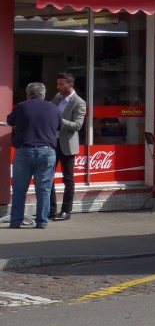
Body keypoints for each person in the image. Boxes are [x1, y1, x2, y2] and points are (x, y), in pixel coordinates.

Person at [7, 82, 62, 229]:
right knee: (44, 189)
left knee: (19, 188)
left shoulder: (21, 106)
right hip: (47, 151)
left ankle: (16, 221)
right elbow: (59, 127)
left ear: (28, 94)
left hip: (24, 150)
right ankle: (42, 221)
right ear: (44, 94)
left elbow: (9, 121)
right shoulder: (54, 109)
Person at [48, 72, 86, 221]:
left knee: (68, 178)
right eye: (57, 84)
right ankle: (51, 210)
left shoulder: (79, 102)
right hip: (52, 142)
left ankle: (66, 211)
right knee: (48, 176)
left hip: (67, 145)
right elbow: (49, 111)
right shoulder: (57, 97)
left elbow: (77, 125)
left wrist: (59, 120)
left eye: (61, 84)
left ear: (70, 85)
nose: (58, 87)